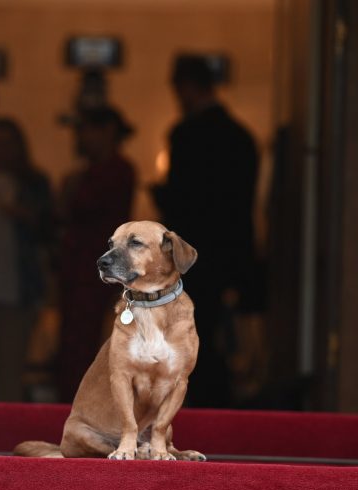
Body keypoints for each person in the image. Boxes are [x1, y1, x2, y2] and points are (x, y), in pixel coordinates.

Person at [153, 55, 259, 408]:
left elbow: (184, 202)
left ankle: (197, 409)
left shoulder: (187, 135)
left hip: (194, 256)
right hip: (231, 254)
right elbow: (241, 206)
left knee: (189, 338)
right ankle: (221, 411)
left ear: (186, 87)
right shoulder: (242, 137)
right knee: (218, 339)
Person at [57, 105, 137, 402]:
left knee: (89, 338)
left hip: (99, 269)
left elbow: (81, 210)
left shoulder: (117, 171)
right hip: (78, 267)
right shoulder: (89, 172)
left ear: (108, 132)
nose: (82, 138)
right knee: (74, 339)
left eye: (88, 130)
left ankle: (89, 401)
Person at [0, 118, 54, 401]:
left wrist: (24, 215)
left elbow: (50, 229)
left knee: (11, 367)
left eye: (7, 144)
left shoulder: (33, 183)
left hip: (19, 287)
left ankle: (2, 433)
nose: (0, 150)